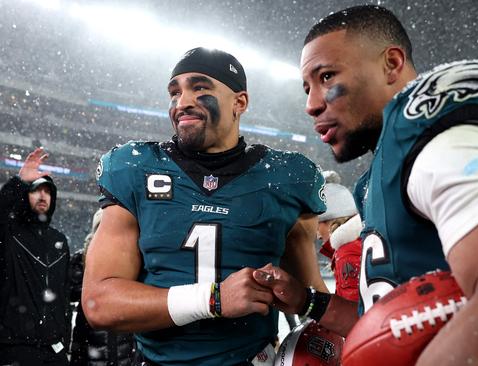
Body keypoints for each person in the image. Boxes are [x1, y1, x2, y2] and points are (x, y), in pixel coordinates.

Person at [252, 5, 478, 365]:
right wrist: (307, 301)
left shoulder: (431, 128)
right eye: (306, 87)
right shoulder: (380, 174)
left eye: (326, 77)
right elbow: (391, 325)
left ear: (392, 64)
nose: (311, 105)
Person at [81, 47, 328, 365]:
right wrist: (214, 300)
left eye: (200, 88)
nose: (181, 102)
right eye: (175, 91)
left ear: (240, 102)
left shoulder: (287, 178)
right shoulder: (135, 168)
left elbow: (310, 297)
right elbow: (100, 303)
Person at [0, 147, 71, 365]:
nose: (43, 195)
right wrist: (20, 181)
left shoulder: (59, 240)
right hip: (14, 348)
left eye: (48, 191)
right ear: (25, 195)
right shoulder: (10, 232)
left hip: (54, 350)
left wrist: (64, 340)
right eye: (36, 190)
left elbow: (64, 294)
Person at [69, 209, 135, 366]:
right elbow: (67, 294)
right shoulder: (80, 262)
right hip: (89, 352)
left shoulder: (133, 260)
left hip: (124, 354)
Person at [317, 170, 361, 302]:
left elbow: (352, 313)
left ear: (331, 221)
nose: (317, 235)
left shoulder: (348, 253)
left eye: (317, 224)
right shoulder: (361, 243)